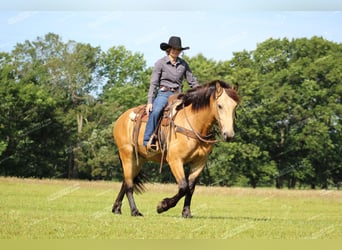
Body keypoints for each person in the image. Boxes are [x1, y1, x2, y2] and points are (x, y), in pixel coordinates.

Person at [143, 36, 199, 151]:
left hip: (179, 95)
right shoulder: (160, 63)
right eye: (173, 49)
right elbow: (153, 83)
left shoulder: (184, 64)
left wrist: (201, 94)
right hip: (164, 93)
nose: (175, 51)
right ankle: (147, 140)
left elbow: (192, 81)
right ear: (168, 49)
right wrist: (150, 102)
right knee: (156, 111)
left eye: (178, 49)